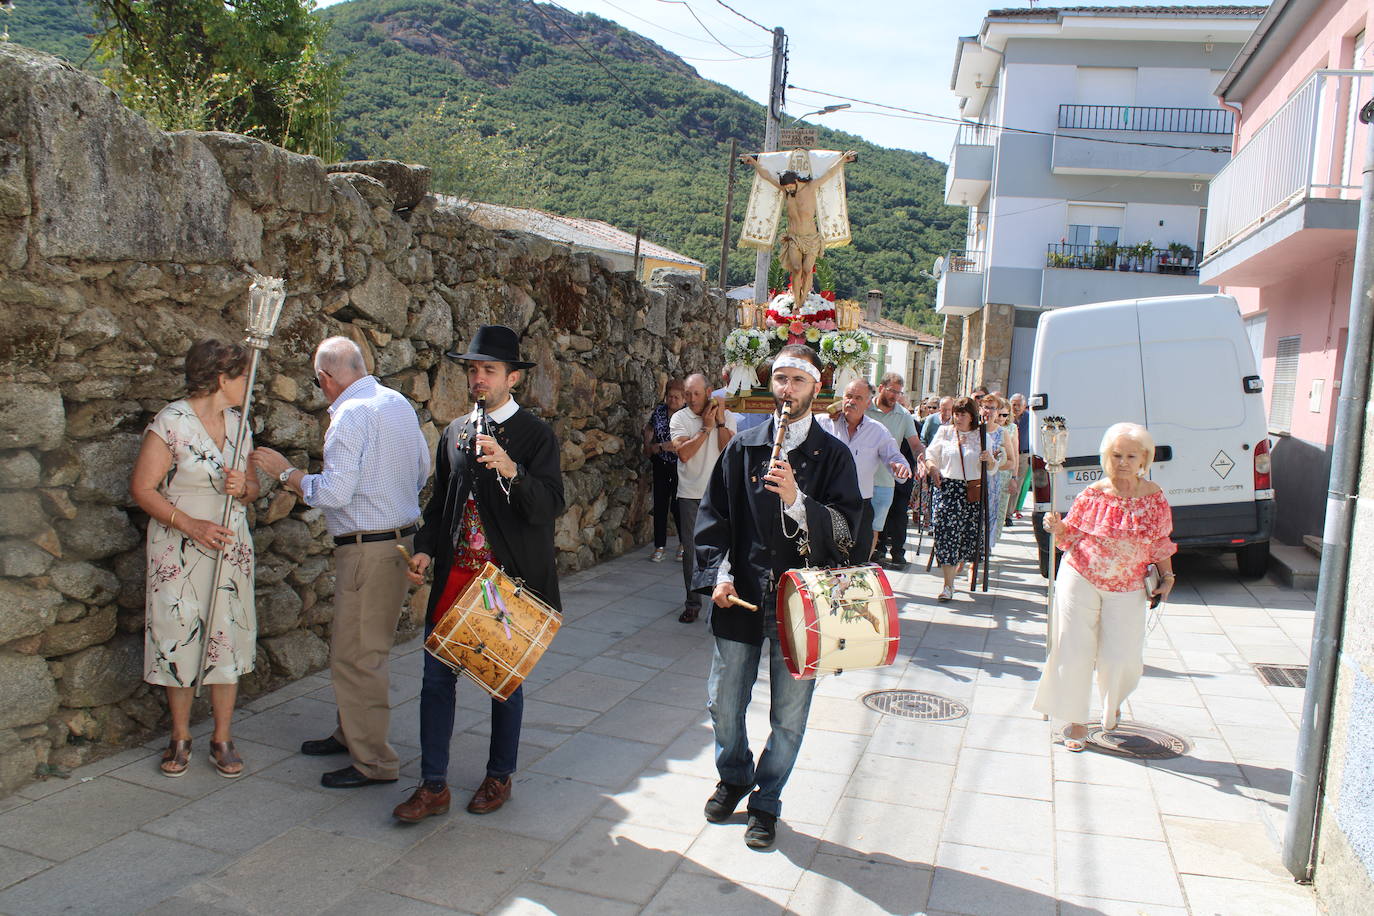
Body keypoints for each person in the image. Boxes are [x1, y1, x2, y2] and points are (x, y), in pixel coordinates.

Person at [692, 344, 863, 850]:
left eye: (798, 380)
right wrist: (719, 575)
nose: (787, 390)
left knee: (788, 716)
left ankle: (766, 800)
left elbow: (851, 533)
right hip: (743, 591)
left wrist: (797, 500)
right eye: (781, 378)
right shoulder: (743, 447)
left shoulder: (834, 456)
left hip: (802, 603)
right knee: (723, 704)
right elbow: (714, 517)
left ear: (816, 387)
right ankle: (734, 775)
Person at [392, 324, 565, 822]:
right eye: (473, 370)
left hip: (504, 584)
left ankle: (499, 776)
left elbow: (550, 505)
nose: (478, 379)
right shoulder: (455, 432)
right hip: (455, 576)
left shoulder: (535, 435)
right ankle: (433, 786)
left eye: (489, 370)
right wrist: (425, 550)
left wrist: (512, 470)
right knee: (435, 681)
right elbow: (441, 503)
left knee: (503, 684)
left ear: (513, 378)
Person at [252, 337, 429, 789]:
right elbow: (422, 468)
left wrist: (286, 473)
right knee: (364, 649)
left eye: (318, 383)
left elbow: (333, 492)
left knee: (357, 657)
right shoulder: (396, 403)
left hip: (367, 548)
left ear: (326, 378)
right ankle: (351, 732)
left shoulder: (350, 414)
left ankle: (374, 761)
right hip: (397, 541)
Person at [130, 339, 260, 778]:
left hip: (230, 546)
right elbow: (142, 488)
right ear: (222, 379)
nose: (250, 385)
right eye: (244, 377)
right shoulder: (172, 422)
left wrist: (244, 487)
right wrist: (192, 526)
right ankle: (180, 735)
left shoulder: (240, 424)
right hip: (180, 546)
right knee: (179, 633)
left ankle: (222, 737)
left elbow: (253, 489)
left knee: (227, 635)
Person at [1033, 423, 1177, 751]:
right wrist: (1055, 526)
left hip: (1127, 586)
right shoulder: (1093, 493)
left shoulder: (1154, 497)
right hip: (1081, 576)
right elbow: (1069, 537)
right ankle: (1074, 720)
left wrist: (1168, 578)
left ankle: (1112, 706)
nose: (1123, 462)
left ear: (1144, 459)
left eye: (1130, 456)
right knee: (1074, 649)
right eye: (1116, 455)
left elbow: (1160, 543)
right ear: (1106, 457)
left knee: (1121, 656)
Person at [740, 151, 857, 302]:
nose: (788, 190)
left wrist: (843, 160)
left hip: (811, 238)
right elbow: (767, 176)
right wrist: (754, 162)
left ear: (795, 181)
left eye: (790, 187)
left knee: (807, 271)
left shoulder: (810, 187)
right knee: (796, 269)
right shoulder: (787, 191)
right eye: (786, 188)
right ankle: (796, 302)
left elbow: (829, 173)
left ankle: (802, 300)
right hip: (794, 238)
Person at [817, 379, 911, 564]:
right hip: (825, 504)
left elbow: (895, 458)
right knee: (822, 560)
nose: (851, 401)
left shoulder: (877, 431)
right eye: (848, 396)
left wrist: (900, 468)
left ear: (868, 403)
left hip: (859, 506)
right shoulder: (823, 423)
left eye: (858, 398)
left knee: (857, 561)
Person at [671, 374, 738, 624]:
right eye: (687, 394)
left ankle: (722, 596)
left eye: (696, 393)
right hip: (690, 494)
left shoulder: (726, 415)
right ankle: (692, 603)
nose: (691, 399)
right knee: (691, 552)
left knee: (724, 548)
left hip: (720, 493)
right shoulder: (680, 417)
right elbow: (684, 454)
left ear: (709, 392)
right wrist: (705, 429)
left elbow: (729, 451)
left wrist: (719, 423)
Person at [923, 397, 998, 602]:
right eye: (956, 414)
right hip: (947, 490)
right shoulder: (944, 432)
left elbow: (992, 469)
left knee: (966, 537)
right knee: (946, 535)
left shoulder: (982, 436)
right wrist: (932, 468)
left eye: (962, 414)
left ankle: (962, 570)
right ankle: (948, 585)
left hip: (971, 491)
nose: (958, 418)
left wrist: (989, 460)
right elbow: (930, 455)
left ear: (972, 416)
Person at [869, 372, 925, 566]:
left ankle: (871, 562)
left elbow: (915, 444)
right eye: (892, 390)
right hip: (859, 478)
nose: (895, 396)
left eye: (899, 392)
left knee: (877, 527)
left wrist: (921, 459)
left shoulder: (904, 415)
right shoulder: (865, 408)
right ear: (881, 387)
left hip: (886, 481)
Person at [644, 379, 685, 563]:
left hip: (680, 465)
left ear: (684, 399)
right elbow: (650, 428)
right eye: (670, 396)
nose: (672, 400)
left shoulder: (687, 415)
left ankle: (684, 543)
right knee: (660, 504)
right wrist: (647, 443)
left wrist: (660, 446)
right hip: (660, 463)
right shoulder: (660, 411)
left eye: (676, 397)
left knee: (678, 505)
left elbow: (681, 443)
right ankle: (659, 546)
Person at [980, 395, 1014, 549]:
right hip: (973, 481)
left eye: (993, 408)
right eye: (986, 407)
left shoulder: (1002, 433)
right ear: (980, 409)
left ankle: (983, 552)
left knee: (987, 519)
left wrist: (994, 463)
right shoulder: (973, 429)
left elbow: (1011, 461)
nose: (989, 411)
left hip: (992, 484)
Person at [1010, 393, 1031, 521]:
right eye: (1014, 405)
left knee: (1017, 484)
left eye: (1019, 405)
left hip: (1023, 455)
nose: (1016, 407)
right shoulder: (1006, 417)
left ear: (1024, 406)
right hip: (1009, 454)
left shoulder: (1030, 418)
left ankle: (1010, 512)